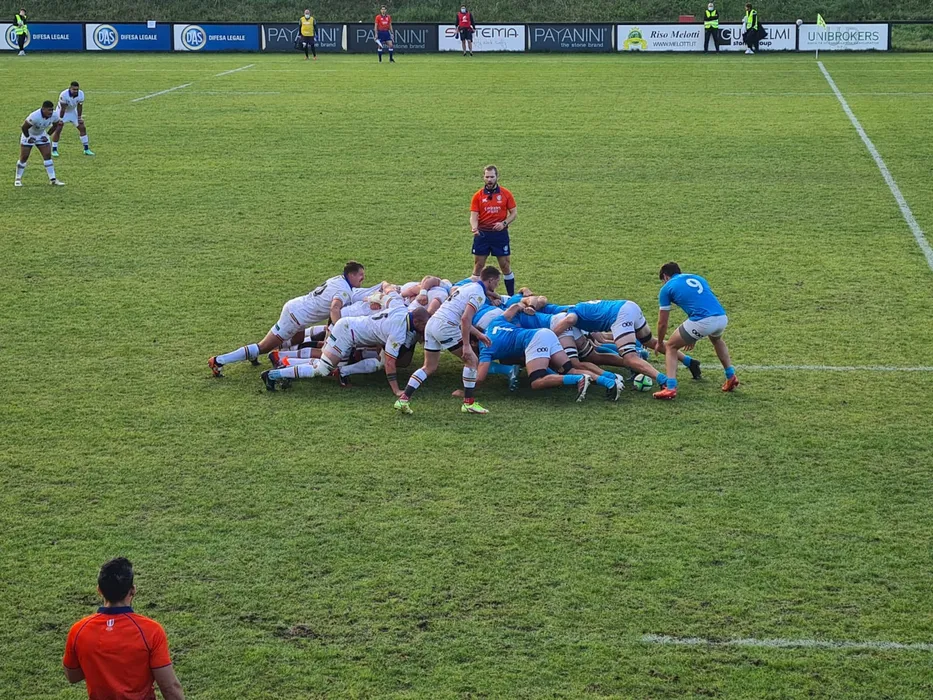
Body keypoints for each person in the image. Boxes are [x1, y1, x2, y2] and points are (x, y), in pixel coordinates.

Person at [208, 261, 365, 376]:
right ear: (351, 275)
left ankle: (258, 353)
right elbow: (334, 308)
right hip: (295, 316)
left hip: (298, 309)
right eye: (360, 275)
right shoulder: (344, 291)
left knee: (298, 340)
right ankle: (218, 360)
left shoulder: (338, 279)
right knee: (264, 346)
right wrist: (339, 328)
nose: (363, 278)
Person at [63, 558, 185, 700]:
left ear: (99, 590)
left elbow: (72, 676)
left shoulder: (79, 630)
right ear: (133, 590)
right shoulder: (151, 631)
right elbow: (169, 688)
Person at [394, 266, 501, 415]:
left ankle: (403, 399)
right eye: (497, 281)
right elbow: (465, 319)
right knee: (472, 360)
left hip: (432, 323)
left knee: (429, 367)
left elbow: (459, 316)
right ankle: (469, 403)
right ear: (490, 280)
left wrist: (478, 335)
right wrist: (466, 346)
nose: (497, 285)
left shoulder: (468, 287)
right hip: (446, 327)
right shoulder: (478, 295)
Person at [262, 305, 429, 394]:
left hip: (349, 328)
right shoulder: (399, 331)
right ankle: (273, 374)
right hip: (346, 333)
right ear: (417, 322)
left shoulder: (402, 311)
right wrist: (396, 389)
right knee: (322, 369)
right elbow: (391, 363)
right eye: (424, 326)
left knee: (329, 365)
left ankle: (285, 364)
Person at [653, 262, 738, 400]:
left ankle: (670, 387)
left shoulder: (667, 288)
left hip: (702, 321)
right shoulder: (697, 278)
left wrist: (660, 342)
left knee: (670, 346)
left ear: (665, 276)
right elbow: (700, 303)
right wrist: (692, 336)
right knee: (716, 340)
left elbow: (662, 323)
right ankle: (731, 376)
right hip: (721, 317)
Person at [470, 165, 517, 295]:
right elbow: (473, 216)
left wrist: (504, 223)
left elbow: (514, 213)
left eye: (492, 177)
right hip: (482, 234)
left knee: (505, 265)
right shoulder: (478, 196)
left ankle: (511, 297)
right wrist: (474, 227)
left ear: (497, 177)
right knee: (478, 265)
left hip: (499, 235)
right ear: (483, 178)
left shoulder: (506, 194)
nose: (489, 179)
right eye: (487, 177)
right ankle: (473, 295)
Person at [15, 101, 65, 187]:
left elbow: (56, 125)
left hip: (41, 135)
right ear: (43, 109)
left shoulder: (54, 115)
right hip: (29, 135)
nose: (50, 112)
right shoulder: (35, 116)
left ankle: (53, 180)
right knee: (24, 157)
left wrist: (47, 135)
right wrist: (28, 138)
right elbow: (24, 127)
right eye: (49, 110)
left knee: (47, 156)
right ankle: (18, 179)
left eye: (51, 110)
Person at [52, 82, 94, 157]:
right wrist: (60, 119)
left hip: (72, 112)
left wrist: (79, 118)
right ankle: (54, 149)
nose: (75, 91)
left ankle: (86, 149)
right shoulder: (64, 95)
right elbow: (63, 109)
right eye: (74, 89)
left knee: (82, 127)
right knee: (58, 129)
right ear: (70, 88)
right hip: (62, 112)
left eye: (77, 89)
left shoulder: (81, 94)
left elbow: (79, 106)